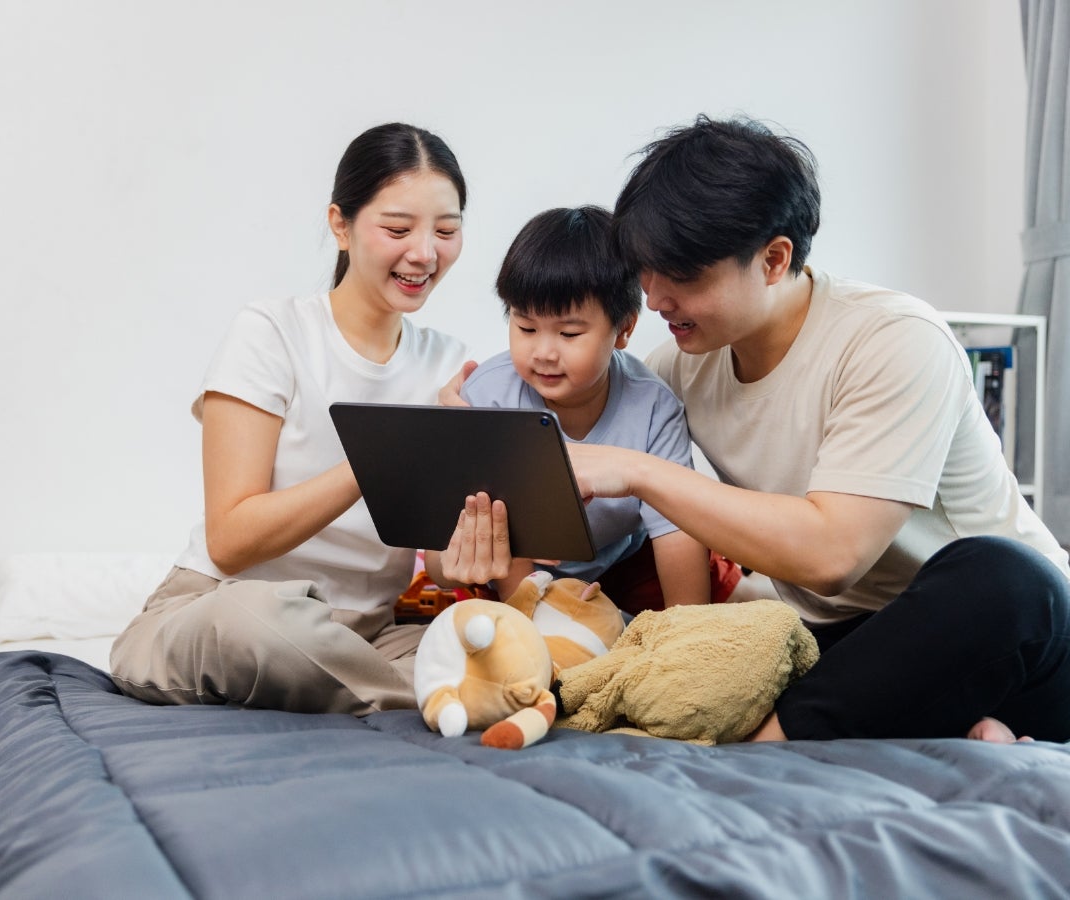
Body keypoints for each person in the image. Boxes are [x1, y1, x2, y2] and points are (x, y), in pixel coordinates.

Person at [446, 115, 1070, 744]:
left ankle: (773, 738)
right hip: (822, 635)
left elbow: (833, 558)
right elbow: (578, 390)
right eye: (646, 271)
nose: (656, 298)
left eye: (683, 276)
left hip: (984, 625)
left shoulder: (895, 341)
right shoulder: (680, 366)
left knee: (1011, 580)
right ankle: (943, 722)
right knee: (737, 626)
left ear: (774, 260)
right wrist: (462, 421)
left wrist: (639, 471)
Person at [110, 122, 470, 716]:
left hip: (367, 634)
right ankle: (427, 697)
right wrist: (387, 457)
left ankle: (410, 688)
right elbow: (229, 542)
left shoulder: (450, 364)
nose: (425, 253)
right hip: (229, 607)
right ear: (340, 225)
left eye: (447, 231)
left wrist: (473, 542)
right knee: (265, 621)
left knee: (478, 633)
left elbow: (437, 560)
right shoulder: (272, 332)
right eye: (398, 229)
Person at [423, 206, 719, 612]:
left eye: (569, 333)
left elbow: (677, 530)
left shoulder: (653, 405)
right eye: (525, 327)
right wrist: (534, 621)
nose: (543, 352)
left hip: (621, 562)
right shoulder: (489, 396)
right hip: (511, 566)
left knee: (706, 578)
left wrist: (687, 631)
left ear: (624, 329)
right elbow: (480, 535)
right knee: (484, 615)